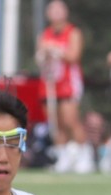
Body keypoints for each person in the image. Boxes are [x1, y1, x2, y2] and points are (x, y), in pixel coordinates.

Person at [36, 0, 93, 174]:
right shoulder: (44, 34)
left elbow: (74, 56)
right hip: (50, 83)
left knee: (71, 120)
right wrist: (44, 53)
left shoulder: (73, 32)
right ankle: (63, 157)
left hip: (68, 83)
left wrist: (56, 50)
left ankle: (85, 156)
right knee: (56, 123)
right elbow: (39, 58)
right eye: (53, 10)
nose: (56, 13)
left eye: (59, 9)